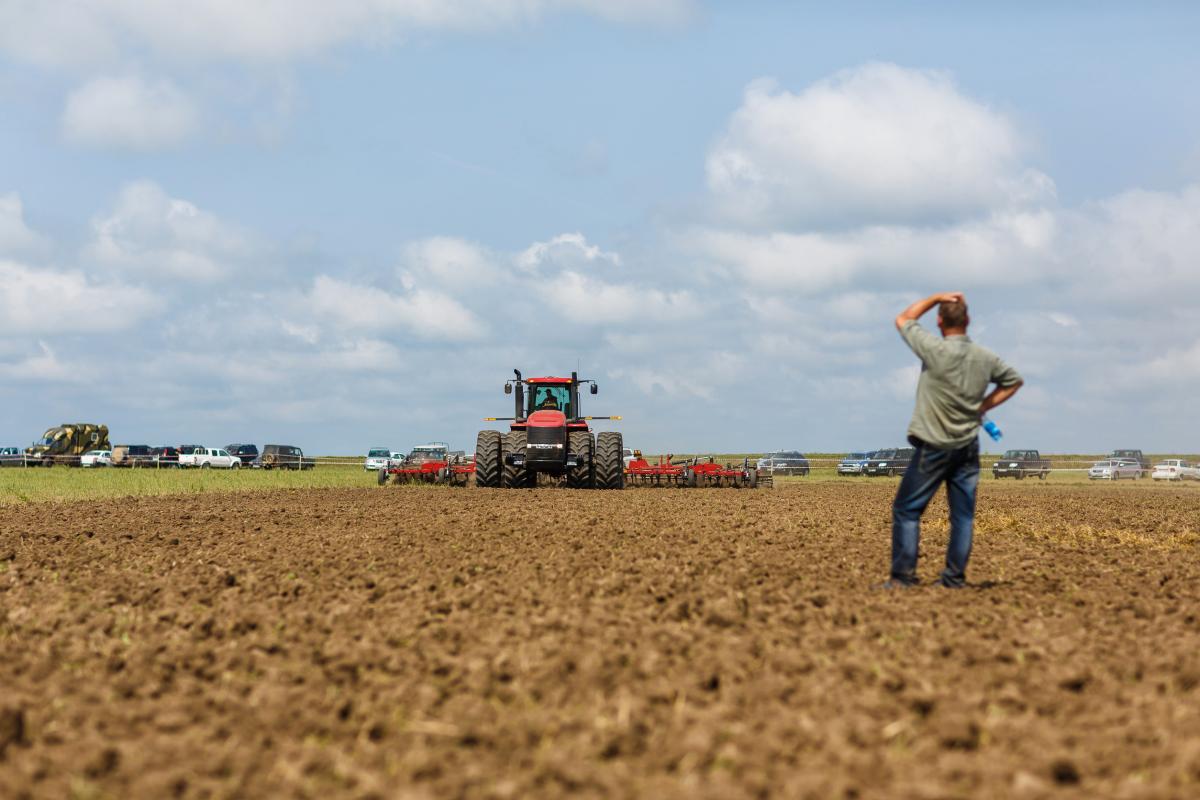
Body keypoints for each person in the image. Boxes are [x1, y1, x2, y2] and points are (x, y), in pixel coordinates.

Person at [886, 292, 1023, 589]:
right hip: (967, 446)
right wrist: (983, 406)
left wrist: (936, 297)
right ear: (968, 320)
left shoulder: (933, 348)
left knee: (907, 510)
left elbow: (904, 318)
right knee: (962, 516)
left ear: (939, 322)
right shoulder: (984, 357)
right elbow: (1013, 381)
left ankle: (902, 577)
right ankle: (954, 578)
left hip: (933, 443)